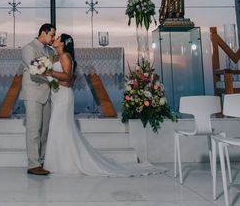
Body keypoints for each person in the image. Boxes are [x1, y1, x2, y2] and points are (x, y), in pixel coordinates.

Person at [44, 33, 161, 176]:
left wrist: (49, 72)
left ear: (62, 43)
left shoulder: (65, 56)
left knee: (62, 126)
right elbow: (66, 79)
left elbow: (68, 77)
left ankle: (67, 162)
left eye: (57, 38)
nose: (54, 40)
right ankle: (58, 161)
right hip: (57, 96)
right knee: (57, 127)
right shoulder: (55, 57)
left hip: (64, 97)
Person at [21, 23, 56, 175]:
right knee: (34, 130)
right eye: (52, 35)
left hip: (47, 94)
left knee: (44, 131)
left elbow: (47, 68)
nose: (53, 38)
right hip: (33, 93)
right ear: (43, 33)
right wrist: (52, 74)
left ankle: (41, 161)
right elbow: (35, 69)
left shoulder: (50, 50)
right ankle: (33, 165)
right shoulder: (29, 48)